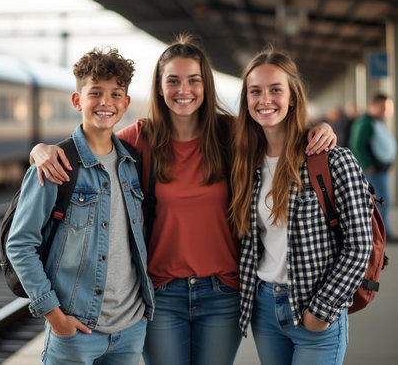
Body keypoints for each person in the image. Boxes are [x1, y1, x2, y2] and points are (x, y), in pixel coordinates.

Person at [30, 35, 336, 365]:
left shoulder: (231, 134)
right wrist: (41, 151)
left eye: (194, 81)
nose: (184, 90)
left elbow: (279, 133)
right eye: (173, 81)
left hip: (223, 292)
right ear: (160, 88)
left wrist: (321, 129)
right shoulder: (139, 138)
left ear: (206, 85)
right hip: (162, 294)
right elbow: (91, 148)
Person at [6, 47, 155, 365]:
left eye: (116, 93)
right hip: (75, 331)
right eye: (95, 92)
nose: (106, 102)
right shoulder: (55, 165)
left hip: (130, 329)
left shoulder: (132, 162)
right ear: (77, 101)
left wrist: (142, 315)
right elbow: (20, 244)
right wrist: (54, 316)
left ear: (126, 103)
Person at [230, 47, 373, 365]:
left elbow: (359, 245)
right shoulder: (245, 164)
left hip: (315, 307)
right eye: (255, 91)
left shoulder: (333, 160)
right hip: (265, 309)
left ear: (292, 97)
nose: (264, 99)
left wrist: (322, 311)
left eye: (275, 90)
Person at [349, 92, 397, 239]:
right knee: (381, 200)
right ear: (373, 105)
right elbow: (357, 144)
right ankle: (381, 233)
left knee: (381, 200)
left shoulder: (375, 121)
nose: (384, 111)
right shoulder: (366, 123)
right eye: (382, 107)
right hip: (372, 170)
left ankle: (381, 232)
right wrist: (367, 164)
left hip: (378, 169)